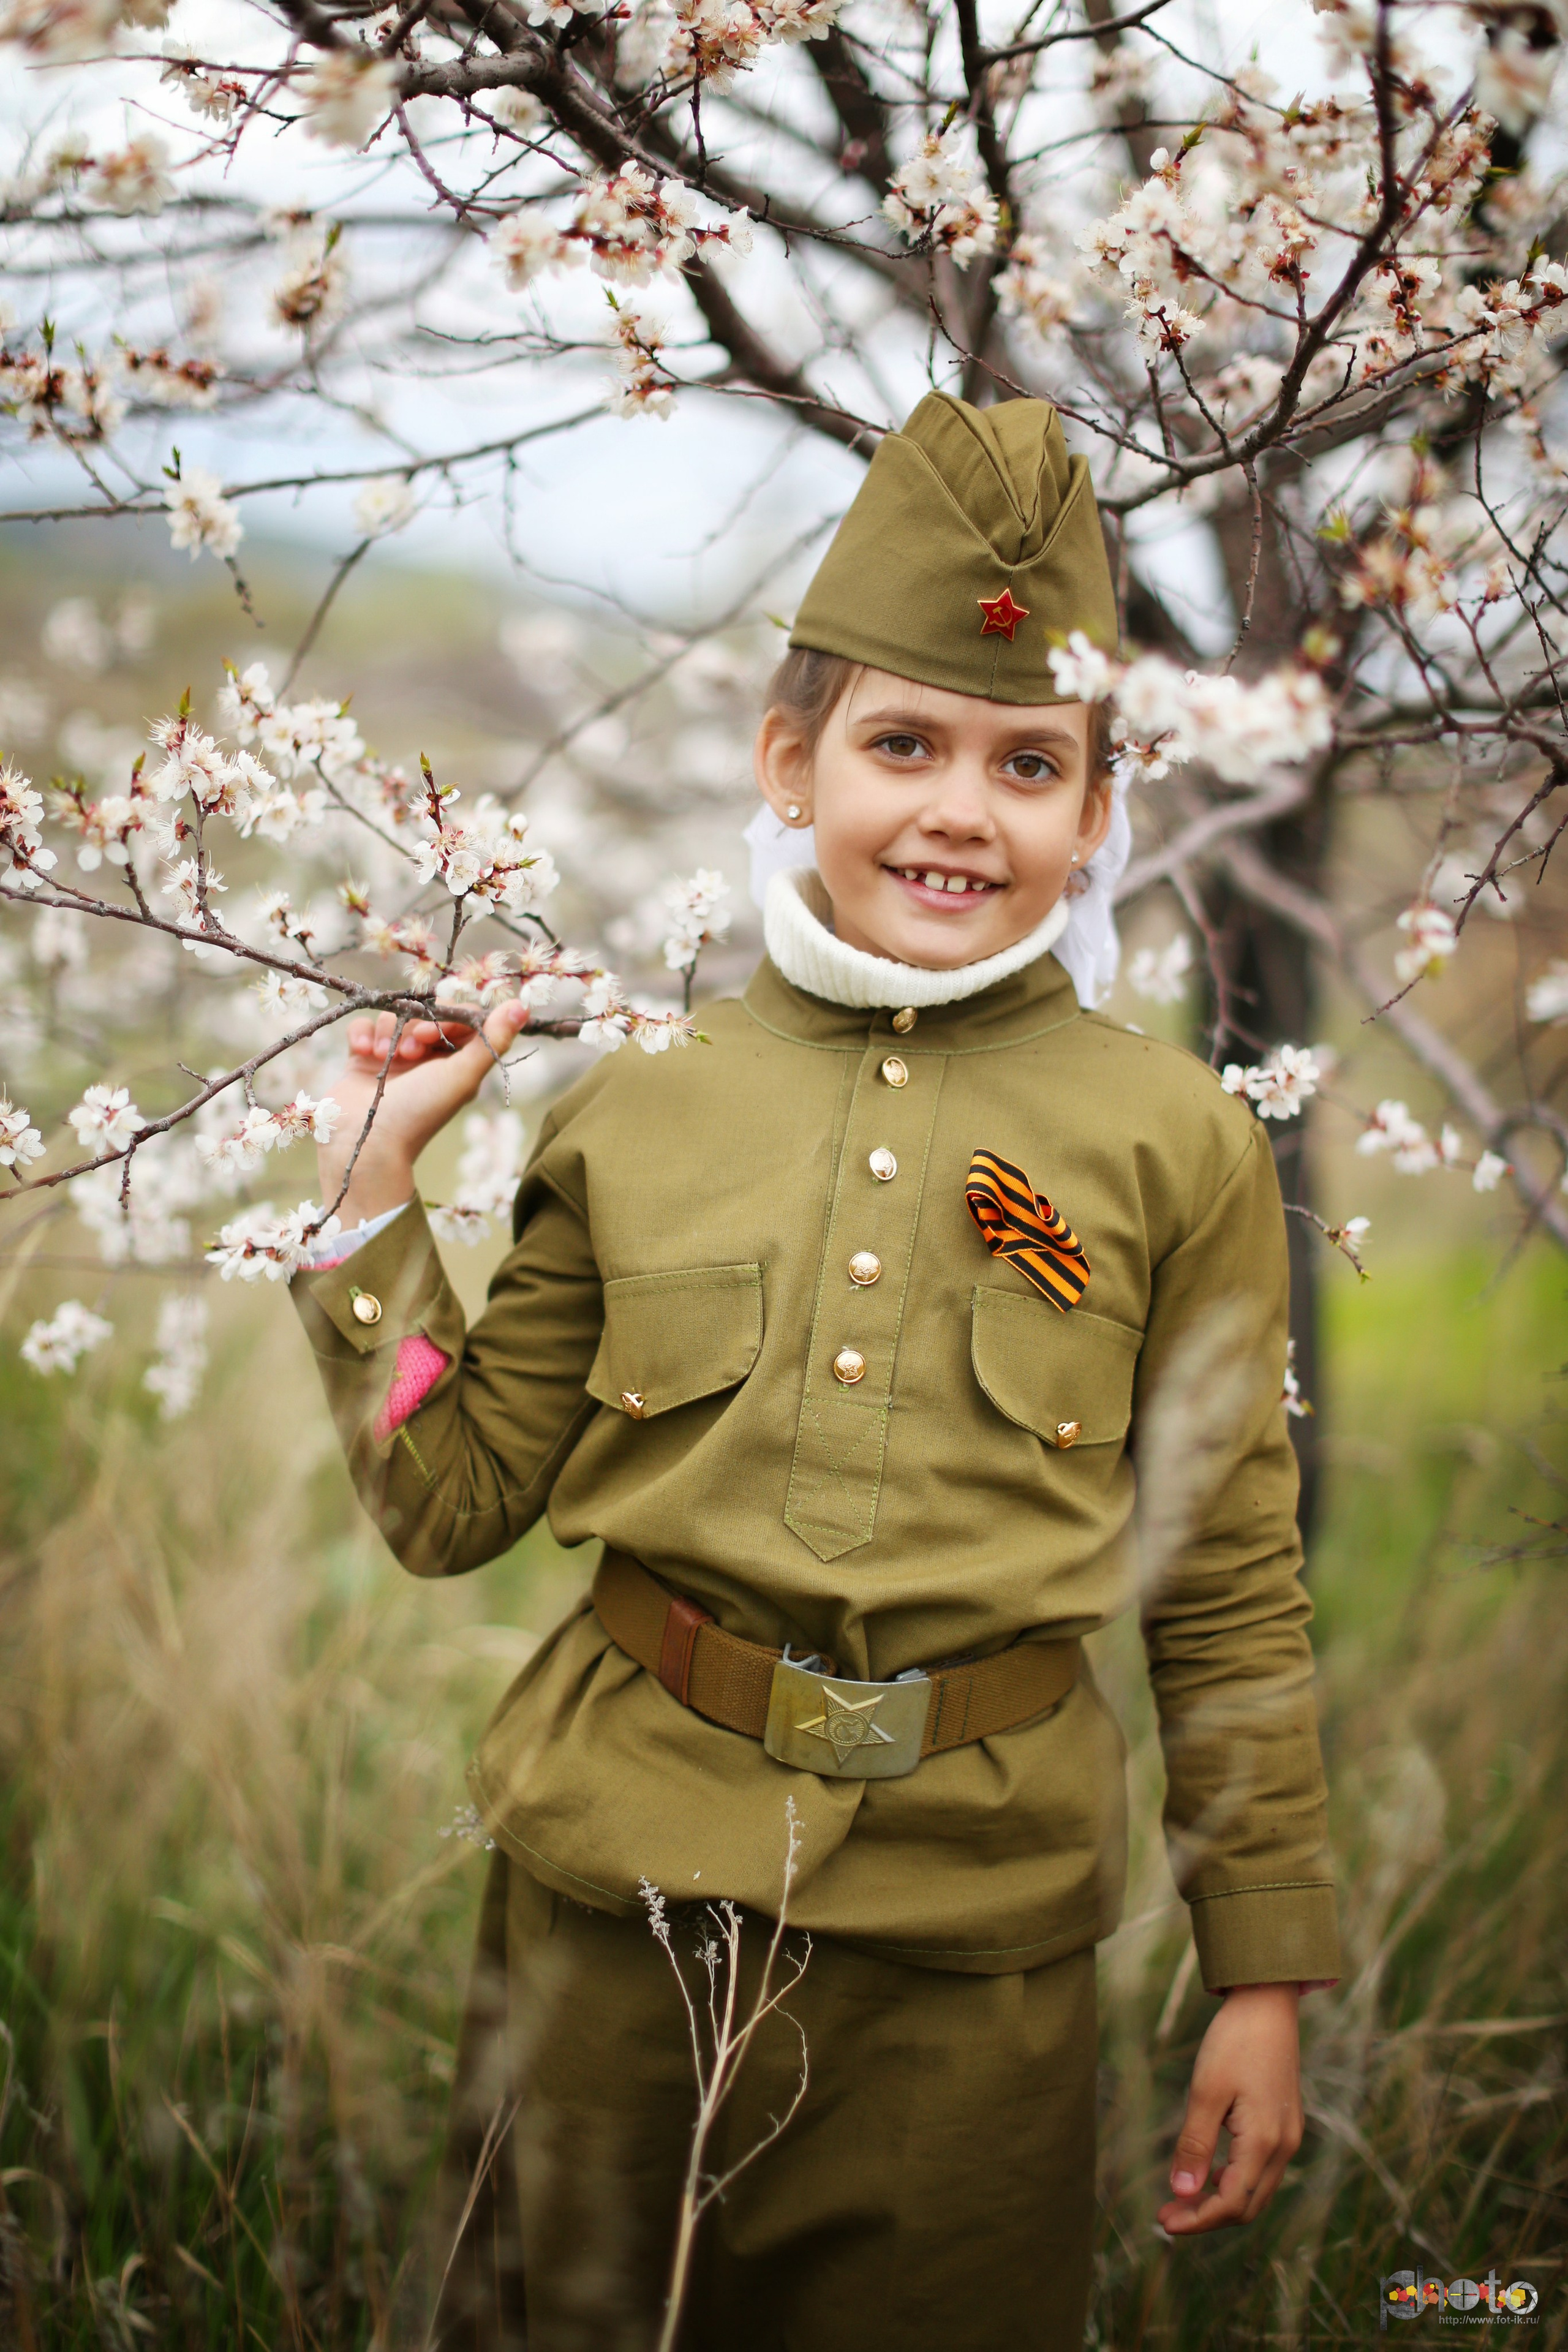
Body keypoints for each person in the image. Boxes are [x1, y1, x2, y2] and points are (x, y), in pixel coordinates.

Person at [291, 391, 1340, 2352]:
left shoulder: (1173, 1144)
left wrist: (1262, 1972)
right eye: (903, 743)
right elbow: (448, 1502)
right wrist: (369, 1193)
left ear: (1100, 811)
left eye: (1031, 763)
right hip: (615, 1920)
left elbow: (1226, 1582)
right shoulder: (639, 1105)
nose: (961, 807)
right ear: (792, 763)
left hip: (977, 1955)